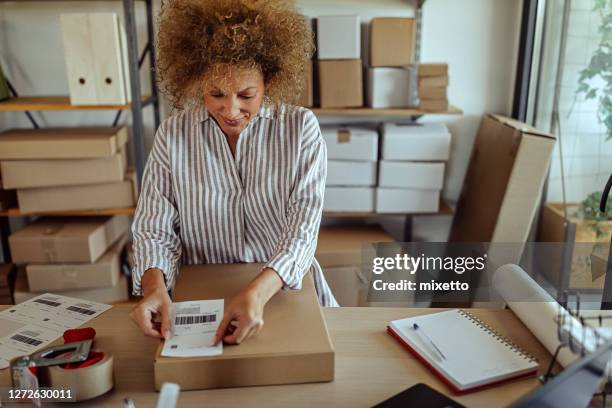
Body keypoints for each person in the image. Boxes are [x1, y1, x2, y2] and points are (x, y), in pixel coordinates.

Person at [129, 0, 338, 346]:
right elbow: (154, 227)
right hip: (202, 298)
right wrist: (153, 287)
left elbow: (303, 230)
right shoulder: (173, 135)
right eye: (215, 94)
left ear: (269, 79)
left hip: (280, 290)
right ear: (196, 79)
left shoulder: (301, 130)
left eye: (246, 95)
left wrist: (258, 292)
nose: (230, 110)